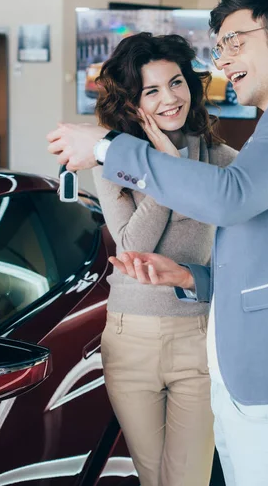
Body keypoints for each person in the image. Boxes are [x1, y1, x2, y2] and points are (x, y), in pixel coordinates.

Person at [47, 0, 268, 486]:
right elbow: (265, 250)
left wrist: (108, 148)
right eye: (219, 47)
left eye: (235, 41)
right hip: (245, 361)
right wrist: (190, 276)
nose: (224, 59)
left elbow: (230, 197)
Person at [81, 32, 237, 486]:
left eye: (177, 82)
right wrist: (166, 169)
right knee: (154, 479)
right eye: (152, 90)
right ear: (132, 103)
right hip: (129, 339)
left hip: (199, 337)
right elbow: (132, 245)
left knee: (186, 480)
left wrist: (174, 167)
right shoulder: (111, 161)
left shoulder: (226, 163)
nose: (170, 99)